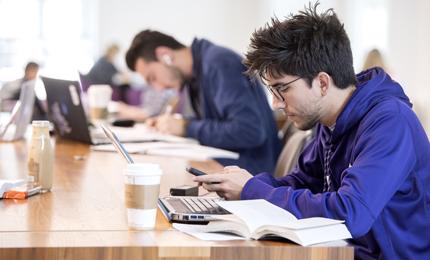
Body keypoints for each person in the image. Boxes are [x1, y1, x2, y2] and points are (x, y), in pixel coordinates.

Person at [192, 3, 430, 260]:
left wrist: (252, 190)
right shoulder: (331, 121)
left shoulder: (389, 122)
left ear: (323, 83)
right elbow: (302, 182)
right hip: (339, 250)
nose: (276, 104)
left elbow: (351, 213)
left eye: (282, 89)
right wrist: (243, 184)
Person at [125, 30, 282, 175]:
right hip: (229, 168)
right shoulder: (195, 75)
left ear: (165, 55)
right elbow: (218, 122)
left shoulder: (219, 63)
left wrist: (187, 127)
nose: (158, 88)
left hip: (251, 174)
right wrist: (179, 124)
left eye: (152, 77)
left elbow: (250, 131)